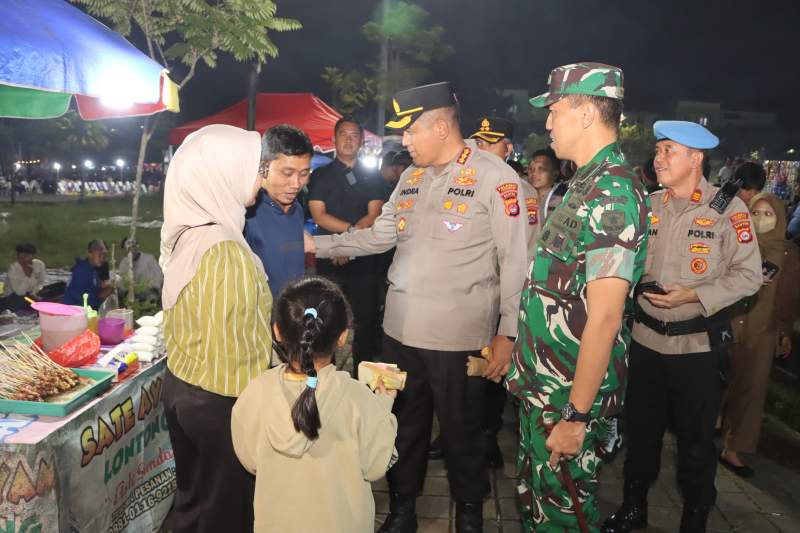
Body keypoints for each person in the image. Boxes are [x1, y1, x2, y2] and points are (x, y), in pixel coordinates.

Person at [308, 81, 529, 532]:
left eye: (410, 132)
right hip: (399, 334)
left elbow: (516, 262)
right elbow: (377, 237)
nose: (404, 142)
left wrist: (508, 333)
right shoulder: (410, 177)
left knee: (462, 433)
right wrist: (314, 246)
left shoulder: (496, 178)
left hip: (459, 338)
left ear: (441, 127)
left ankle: (469, 515)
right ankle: (402, 510)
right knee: (401, 427)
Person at [504, 62, 649, 532]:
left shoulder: (613, 194)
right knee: (538, 511)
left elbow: (605, 318)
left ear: (586, 114)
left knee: (563, 517)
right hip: (545, 390)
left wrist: (576, 416)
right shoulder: (584, 184)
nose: (548, 122)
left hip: (566, 399)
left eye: (555, 110)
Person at [603, 121, 762, 533]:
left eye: (668, 151)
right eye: (658, 151)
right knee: (641, 434)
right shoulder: (649, 204)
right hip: (645, 342)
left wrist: (694, 295)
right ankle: (634, 507)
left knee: (695, 443)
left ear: (696, 158)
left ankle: (694, 519)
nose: (658, 159)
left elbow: (749, 276)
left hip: (696, 349)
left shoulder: (728, 209)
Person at [160, 124, 273, 533]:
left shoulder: (189, 233)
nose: (260, 179)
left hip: (182, 386)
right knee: (226, 512)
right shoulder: (225, 251)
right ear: (222, 172)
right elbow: (240, 353)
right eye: (255, 168)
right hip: (219, 401)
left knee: (192, 502)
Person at [231, 275, 398, 532]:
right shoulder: (358, 399)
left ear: (277, 331)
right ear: (342, 337)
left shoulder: (254, 393)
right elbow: (376, 466)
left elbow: (251, 460)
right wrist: (383, 406)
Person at [469, 114, 538, 468]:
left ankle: (487, 436)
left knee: (494, 369)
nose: (482, 150)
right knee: (463, 366)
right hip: (469, 294)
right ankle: (455, 432)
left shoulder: (523, 193)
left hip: (503, 295)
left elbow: (526, 249)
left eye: (491, 143)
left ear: (508, 149)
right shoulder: (464, 182)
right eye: (479, 142)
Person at [720, 192, 800, 477]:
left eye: (768, 214)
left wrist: (785, 331)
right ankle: (714, 422)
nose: (760, 220)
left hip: (763, 330)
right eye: (755, 213)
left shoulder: (787, 254)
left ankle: (733, 447)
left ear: (780, 219)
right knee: (722, 379)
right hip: (729, 324)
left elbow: (788, 298)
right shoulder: (736, 242)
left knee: (752, 390)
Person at [308, 116, 385, 372]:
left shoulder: (373, 175)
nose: (349, 140)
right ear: (334, 139)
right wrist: (345, 242)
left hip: (364, 261)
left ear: (362, 141)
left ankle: (363, 380)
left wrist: (347, 247)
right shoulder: (321, 175)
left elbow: (374, 214)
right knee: (327, 321)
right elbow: (319, 215)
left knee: (365, 323)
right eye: (343, 134)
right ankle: (324, 376)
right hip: (329, 260)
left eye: (354, 135)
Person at [244, 124, 313, 296]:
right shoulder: (247, 213)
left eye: (304, 174)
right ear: (264, 167)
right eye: (287, 173)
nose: (296, 184)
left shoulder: (297, 209)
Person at [62, 240, 113, 309]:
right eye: (99, 255)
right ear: (90, 254)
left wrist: (104, 286)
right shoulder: (81, 271)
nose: (102, 259)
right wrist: (100, 297)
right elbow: (79, 298)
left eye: (104, 256)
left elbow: (95, 288)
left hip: (84, 308)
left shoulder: (93, 271)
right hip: (72, 310)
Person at [527, 148, 566, 229]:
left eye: (541, 169)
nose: (534, 173)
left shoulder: (561, 198)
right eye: (531, 169)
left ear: (555, 174)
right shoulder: (524, 196)